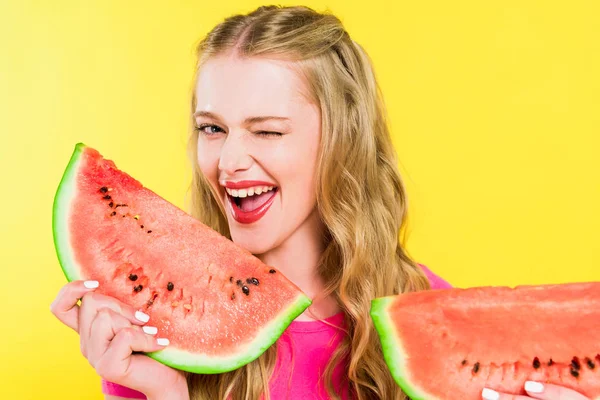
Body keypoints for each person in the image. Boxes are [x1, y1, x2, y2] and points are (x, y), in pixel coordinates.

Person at [50, 5, 591, 400]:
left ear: (340, 140)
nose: (228, 161)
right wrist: (166, 394)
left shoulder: (428, 313)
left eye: (266, 131)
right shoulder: (154, 333)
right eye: (212, 128)